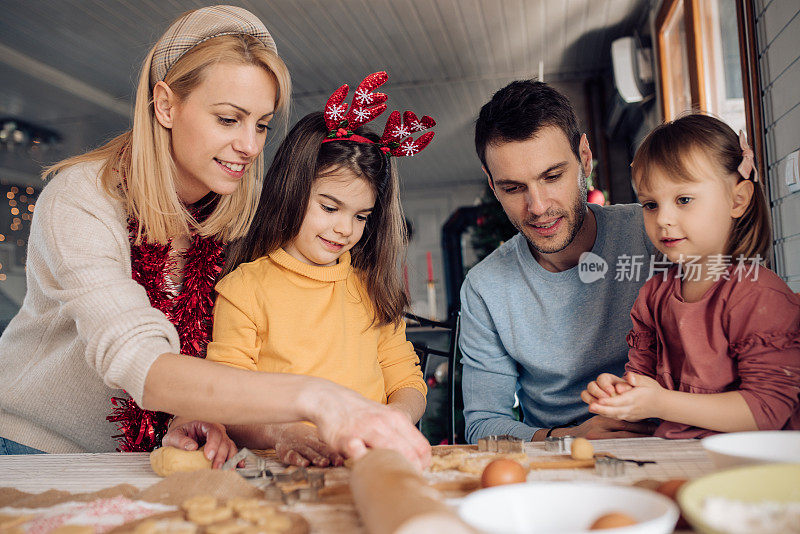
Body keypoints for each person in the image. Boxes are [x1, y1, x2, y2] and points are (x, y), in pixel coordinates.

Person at [0, 7, 430, 471]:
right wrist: (319, 399)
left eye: (262, 124)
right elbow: (135, 356)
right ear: (165, 105)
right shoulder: (83, 198)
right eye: (229, 119)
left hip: (154, 457)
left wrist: (202, 417)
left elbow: (223, 359)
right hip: (37, 452)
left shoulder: (238, 216)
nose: (250, 145)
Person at [189, 76, 435, 467]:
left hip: (369, 463)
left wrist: (394, 418)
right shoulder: (245, 288)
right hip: (279, 468)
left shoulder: (371, 288)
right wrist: (287, 432)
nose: (345, 229)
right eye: (330, 207)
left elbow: (405, 378)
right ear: (292, 189)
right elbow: (227, 399)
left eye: (361, 217)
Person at [460, 80, 659, 444]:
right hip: (556, 459)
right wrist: (570, 438)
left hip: (665, 438)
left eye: (552, 177)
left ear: (584, 158)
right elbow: (484, 423)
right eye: (513, 188)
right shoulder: (484, 287)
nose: (537, 207)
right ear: (491, 185)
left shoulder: (653, 232)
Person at [581, 114, 800, 438]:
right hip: (677, 457)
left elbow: (766, 411)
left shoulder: (758, 295)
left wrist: (661, 404)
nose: (664, 218)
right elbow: (644, 389)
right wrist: (619, 396)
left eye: (683, 199)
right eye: (651, 204)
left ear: (738, 200)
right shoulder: (653, 296)